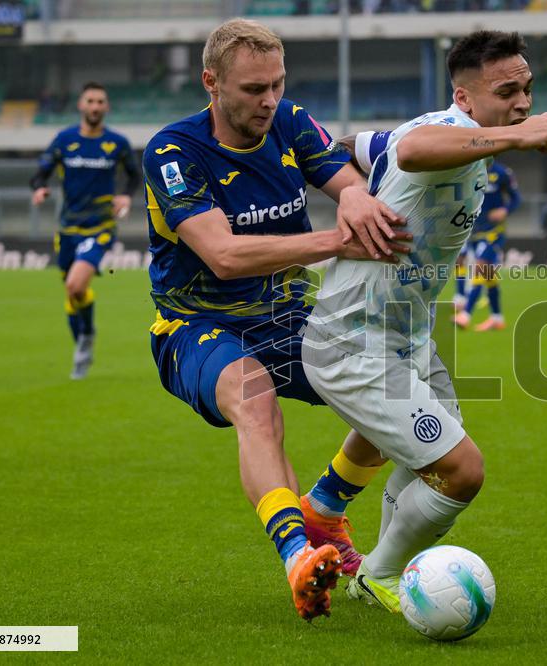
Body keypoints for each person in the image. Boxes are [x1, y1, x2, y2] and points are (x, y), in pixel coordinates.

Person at [142, 19, 409, 622]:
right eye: (253, 89)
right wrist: (337, 241)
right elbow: (224, 255)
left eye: (277, 84)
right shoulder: (172, 151)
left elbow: (346, 182)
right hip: (196, 325)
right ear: (211, 83)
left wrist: (356, 197)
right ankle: (298, 556)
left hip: (288, 318)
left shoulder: (290, 120)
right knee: (255, 398)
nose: (269, 100)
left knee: (396, 385)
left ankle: (325, 509)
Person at [298, 30, 547, 612]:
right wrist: (516, 135)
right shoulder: (442, 133)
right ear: (464, 99)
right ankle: (379, 573)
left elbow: (360, 146)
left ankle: (332, 517)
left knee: (432, 461)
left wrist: (321, 173)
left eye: (527, 89)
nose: (524, 102)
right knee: (462, 470)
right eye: (507, 92)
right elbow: (413, 150)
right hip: (353, 338)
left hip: (407, 334)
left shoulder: (449, 135)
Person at [30, 81, 140, 379]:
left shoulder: (117, 143)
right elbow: (40, 174)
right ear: (81, 105)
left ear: (107, 107)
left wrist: (125, 196)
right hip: (68, 229)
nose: (95, 106)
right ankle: (82, 344)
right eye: (90, 101)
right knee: (73, 294)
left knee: (76, 285)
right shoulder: (64, 140)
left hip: (100, 227)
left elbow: (134, 176)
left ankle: (87, 336)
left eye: (100, 102)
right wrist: (39, 189)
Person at [454, 159, 520, 331]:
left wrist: (505, 210)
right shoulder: (469, 170)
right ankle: (497, 318)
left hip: (494, 231)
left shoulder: (502, 172)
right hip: (473, 229)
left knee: (481, 266)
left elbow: (516, 198)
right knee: (488, 275)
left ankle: (466, 313)